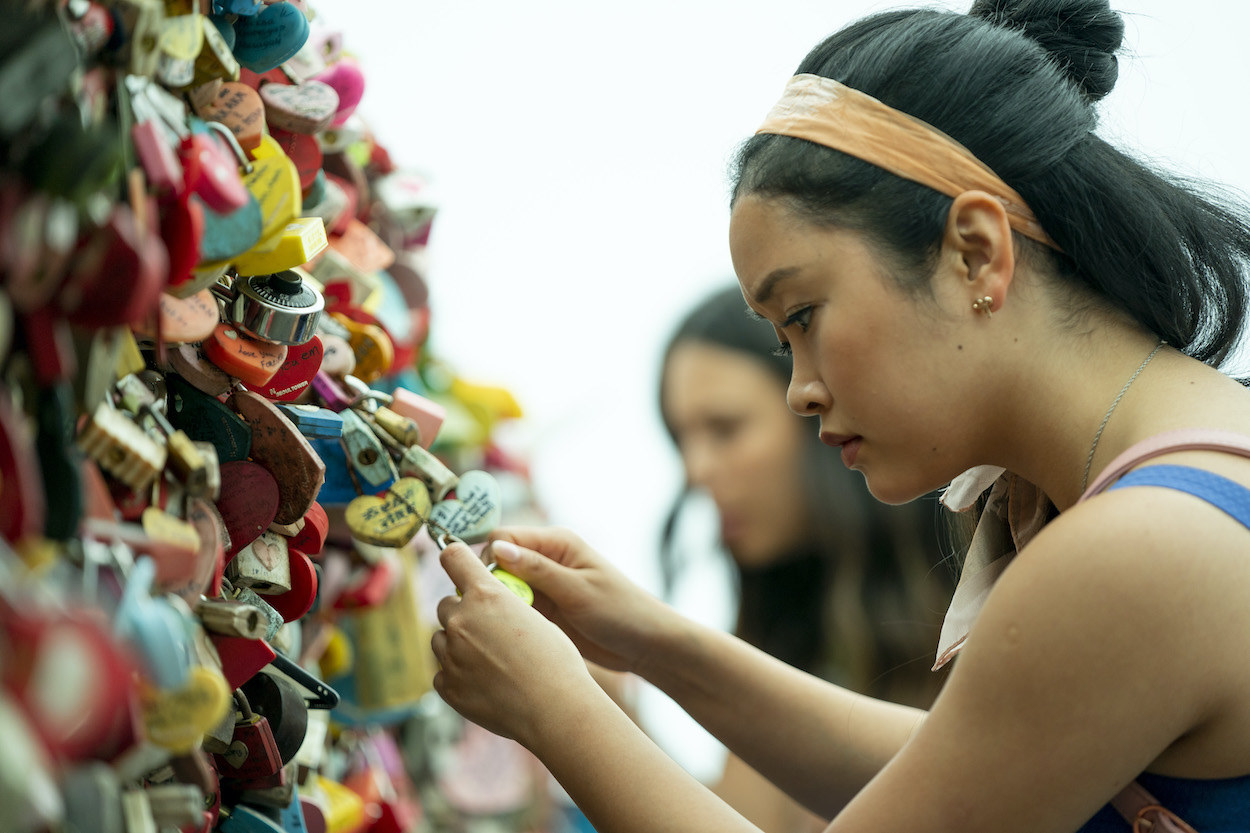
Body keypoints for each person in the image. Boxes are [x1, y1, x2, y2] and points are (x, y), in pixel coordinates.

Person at [429, 1, 1250, 831]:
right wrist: (652, 639)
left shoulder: (1136, 549)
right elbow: (960, 764)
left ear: (976, 250)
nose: (800, 391)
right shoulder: (1193, 483)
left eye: (804, 316)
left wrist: (554, 709)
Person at [656, 285, 953, 832]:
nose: (696, 471)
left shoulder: (983, 609)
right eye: (681, 439)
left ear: (814, 408)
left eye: (725, 429)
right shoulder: (791, 631)